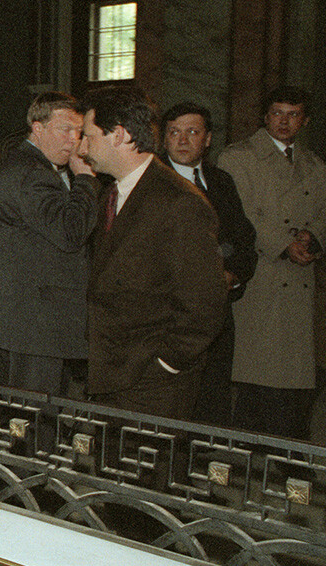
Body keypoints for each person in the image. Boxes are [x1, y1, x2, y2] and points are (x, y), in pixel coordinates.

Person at [80, 86, 225, 420]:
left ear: (118, 135)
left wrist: (167, 363)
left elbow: (204, 302)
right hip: (112, 371)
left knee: (148, 471)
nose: (82, 147)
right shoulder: (113, 194)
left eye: (88, 136)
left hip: (153, 383)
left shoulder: (179, 202)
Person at [218, 86, 326, 439]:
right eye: (277, 113)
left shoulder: (314, 165)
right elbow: (240, 216)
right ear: (265, 117)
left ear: (305, 120)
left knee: (295, 385)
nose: (284, 121)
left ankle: (287, 462)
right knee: (256, 379)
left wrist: (313, 238)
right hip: (262, 278)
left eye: (293, 114)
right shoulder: (238, 158)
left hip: (301, 280)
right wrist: (284, 244)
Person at [0, 92, 99, 395]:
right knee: (33, 421)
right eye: (65, 129)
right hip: (34, 322)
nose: (73, 140)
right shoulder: (32, 174)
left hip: (30, 319)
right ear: (37, 127)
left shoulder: (30, 166)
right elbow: (71, 234)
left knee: (27, 416)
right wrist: (85, 180)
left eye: (79, 131)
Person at [160, 101, 257, 426]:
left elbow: (244, 240)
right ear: (164, 138)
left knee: (210, 402)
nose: (183, 140)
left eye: (192, 132)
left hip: (216, 312)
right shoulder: (151, 183)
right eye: (174, 132)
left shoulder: (221, 182)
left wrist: (233, 274)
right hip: (168, 315)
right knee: (169, 406)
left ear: (208, 138)